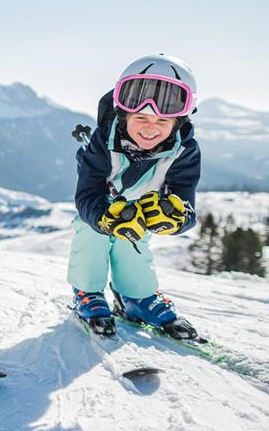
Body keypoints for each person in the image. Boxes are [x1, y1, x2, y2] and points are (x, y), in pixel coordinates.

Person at [68, 54, 200, 339]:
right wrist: (102, 219)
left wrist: (176, 217)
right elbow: (86, 194)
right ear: (124, 114)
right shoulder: (103, 142)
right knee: (91, 234)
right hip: (103, 208)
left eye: (163, 120)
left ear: (179, 121)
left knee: (135, 240)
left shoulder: (184, 151)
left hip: (140, 211)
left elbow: (186, 201)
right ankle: (87, 291)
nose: (150, 127)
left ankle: (137, 297)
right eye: (141, 117)